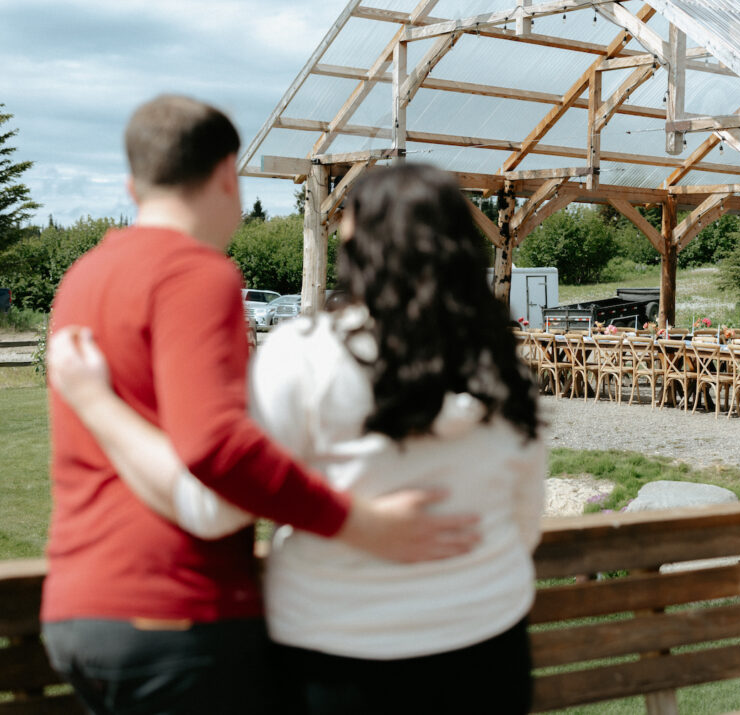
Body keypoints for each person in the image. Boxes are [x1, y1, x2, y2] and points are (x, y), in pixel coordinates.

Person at [48, 163, 547, 714]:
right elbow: (525, 522)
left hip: (335, 651)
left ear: (358, 250)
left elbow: (212, 509)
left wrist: (97, 404)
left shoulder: (308, 356)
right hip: (490, 641)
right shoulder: (504, 370)